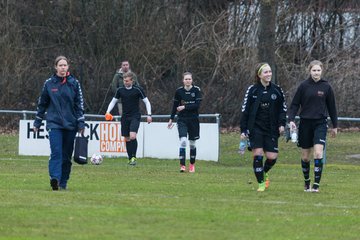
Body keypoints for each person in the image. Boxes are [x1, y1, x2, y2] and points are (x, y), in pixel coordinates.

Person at [33, 56, 85, 191]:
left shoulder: (74, 83)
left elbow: (79, 104)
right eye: (60, 65)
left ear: (68, 67)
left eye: (65, 65)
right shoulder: (49, 83)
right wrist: (37, 122)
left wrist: (81, 123)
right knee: (56, 152)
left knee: (67, 157)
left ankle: (63, 183)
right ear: (55, 67)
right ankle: (54, 179)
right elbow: (42, 104)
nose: (63, 68)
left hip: (71, 125)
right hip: (54, 124)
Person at [288, 60, 338, 193]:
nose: (316, 73)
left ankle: (316, 186)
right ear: (309, 71)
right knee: (305, 157)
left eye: (318, 70)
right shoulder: (303, 86)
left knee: (318, 153)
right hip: (305, 123)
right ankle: (307, 182)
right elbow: (294, 105)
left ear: (322, 71)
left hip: (320, 123)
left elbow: (332, 108)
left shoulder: (326, 87)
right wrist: (291, 120)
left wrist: (335, 126)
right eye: (314, 70)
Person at [240, 63, 287, 192]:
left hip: (271, 128)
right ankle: (261, 183)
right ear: (259, 75)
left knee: (272, 157)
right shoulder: (252, 90)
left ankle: (264, 172)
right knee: (258, 154)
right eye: (265, 72)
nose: (268, 74)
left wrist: (282, 124)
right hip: (255, 128)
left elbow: (283, 109)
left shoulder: (277, 90)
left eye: (270, 72)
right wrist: (243, 129)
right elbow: (245, 110)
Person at [105, 72, 152, 165]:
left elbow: (147, 102)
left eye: (127, 81)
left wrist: (149, 115)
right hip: (125, 117)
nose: (125, 82)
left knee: (132, 136)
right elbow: (113, 101)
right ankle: (130, 158)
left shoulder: (138, 90)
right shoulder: (120, 90)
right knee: (127, 139)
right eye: (124, 80)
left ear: (132, 81)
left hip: (135, 116)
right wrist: (107, 112)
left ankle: (134, 157)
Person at [167, 72, 202, 173]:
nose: (188, 81)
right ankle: (182, 165)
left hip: (193, 120)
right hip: (182, 119)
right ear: (183, 80)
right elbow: (174, 106)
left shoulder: (196, 90)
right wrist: (171, 119)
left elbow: (197, 105)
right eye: (186, 79)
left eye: (189, 79)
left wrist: (184, 107)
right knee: (183, 141)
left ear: (192, 80)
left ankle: (192, 164)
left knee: (192, 144)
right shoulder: (179, 91)